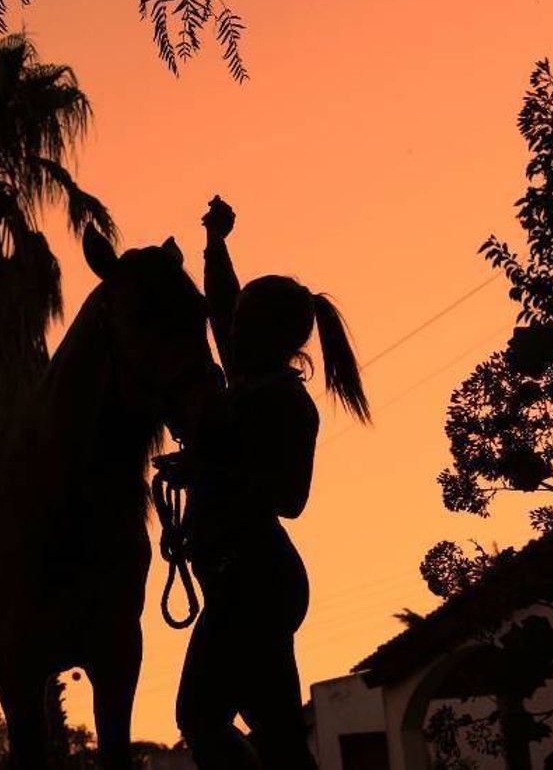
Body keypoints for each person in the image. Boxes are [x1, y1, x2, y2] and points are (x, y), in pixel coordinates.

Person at [175, 195, 370, 770]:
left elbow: (289, 497)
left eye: (242, 326)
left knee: (201, 718)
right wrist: (215, 244)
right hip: (247, 584)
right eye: (232, 325)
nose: (228, 332)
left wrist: (204, 469)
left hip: (253, 586)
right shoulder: (249, 383)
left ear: (273, 337)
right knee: (281, 738)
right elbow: (221, 304)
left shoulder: (284, 402)